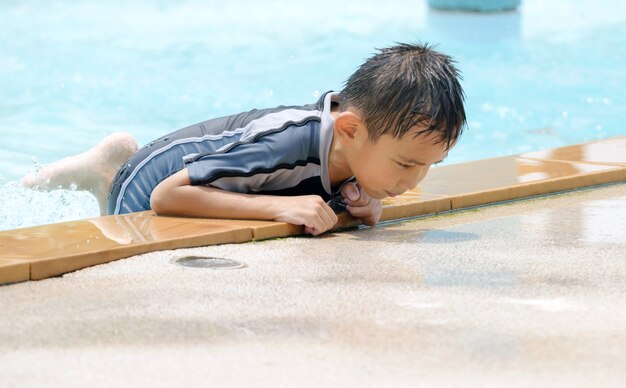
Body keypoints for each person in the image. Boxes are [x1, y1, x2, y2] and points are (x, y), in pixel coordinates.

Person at [21, 42, 466, 236]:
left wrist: (362, 203)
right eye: (407, 165)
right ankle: (112, 174)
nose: (416, 180)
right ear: (349, 129)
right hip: (149, 183)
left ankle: (110, 164)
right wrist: (278, 206)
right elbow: (166, 197)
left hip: (193, 168)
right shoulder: (289, 145)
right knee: (126, 248)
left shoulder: (359, 144)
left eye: (429, 167)